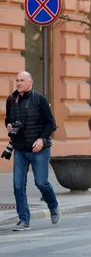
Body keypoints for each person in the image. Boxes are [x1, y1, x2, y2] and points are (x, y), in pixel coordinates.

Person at [5, 71, 60, 231]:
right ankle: (24, 220)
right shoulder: (11, 99)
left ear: (30, 82)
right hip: (20, 149)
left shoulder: (40, 99)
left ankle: (53, 206)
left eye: (22, 80)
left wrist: (41, 139)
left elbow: (51, 123)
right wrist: (8, 126)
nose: (19, 83)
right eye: (17, 80)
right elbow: (8, 120)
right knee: (18, 186)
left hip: (39, 150)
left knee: (41, 183)